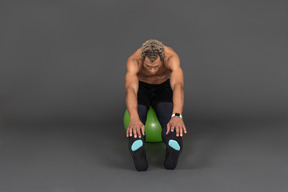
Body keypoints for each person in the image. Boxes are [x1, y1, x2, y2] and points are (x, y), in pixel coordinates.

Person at [125, 39, 187, 171]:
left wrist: (177, 115)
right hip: (142, 89)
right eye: (148, 66)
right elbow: (131, 89)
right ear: (142, 59)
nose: (152, 71)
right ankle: (138, 147)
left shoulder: (171, 57)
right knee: (138, 116)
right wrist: (134, 118)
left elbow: (178, 86)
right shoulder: (134, 61)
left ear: (163, 59)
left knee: (169, 118)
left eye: (156, 66)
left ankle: (172, 148)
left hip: (163, 89)